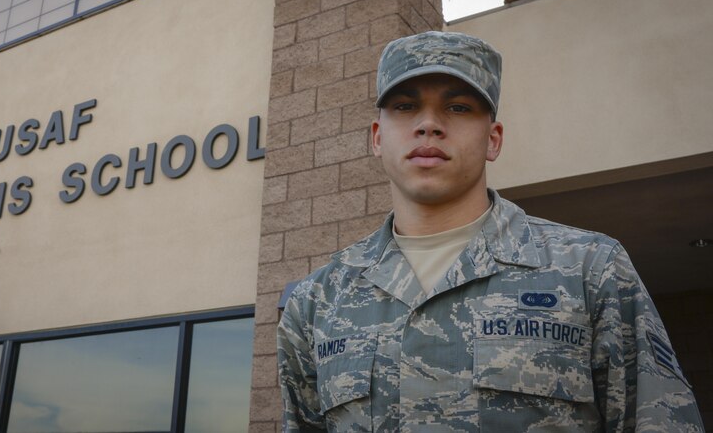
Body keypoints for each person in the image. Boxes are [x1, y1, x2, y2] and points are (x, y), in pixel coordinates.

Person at [276, 31, 704, 432]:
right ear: (376, 138)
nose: (429, 125)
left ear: (493, 139)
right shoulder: (319, 302)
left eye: (458, 107)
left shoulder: (590, 270)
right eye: (405, 106)